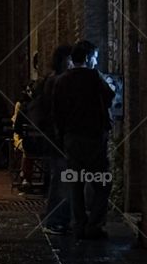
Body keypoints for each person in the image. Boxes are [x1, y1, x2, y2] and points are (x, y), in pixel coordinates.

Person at [53, 40, 115, 239]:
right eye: (95, 57)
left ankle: (79, 224)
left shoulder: (61, 80)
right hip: (93, 136)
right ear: (88, 58)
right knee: (102, 184)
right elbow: (109, 96)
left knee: (76, 183)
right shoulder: (94, 77)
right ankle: (94, 224)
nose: (96, 61)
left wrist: (62, 135)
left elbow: (57, 111)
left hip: (72, 137)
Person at [23, 44, 73, 231]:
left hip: (56, 138)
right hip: (57, 139)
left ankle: (60, 218)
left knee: (62, 178)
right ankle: (55, 220)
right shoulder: (55, 82)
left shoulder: (53, 81)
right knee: (61, 180)